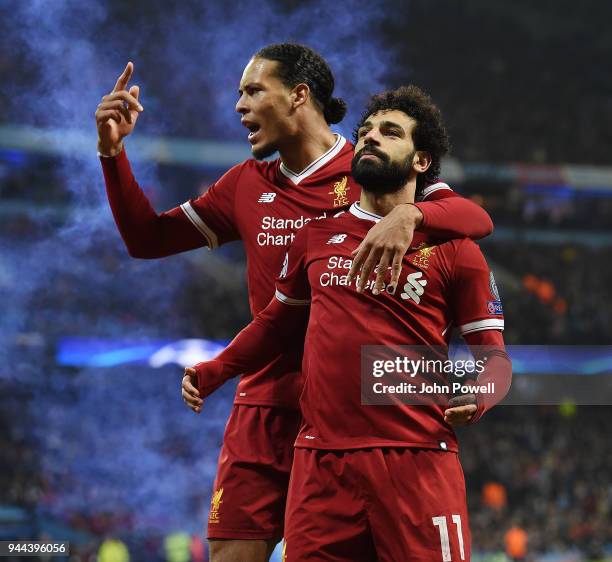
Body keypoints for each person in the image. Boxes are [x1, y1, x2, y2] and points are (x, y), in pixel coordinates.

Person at [96, 44, 493, 562]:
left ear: (299, 96)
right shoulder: (244, 184)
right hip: (267, 403)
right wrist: (113, 155)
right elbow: (147, 239)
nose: (239, 106)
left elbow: (471, 219)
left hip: (359, 415)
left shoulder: (374, 166)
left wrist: (412, 216)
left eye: (253, 91)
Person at [188, 85, 512, 561]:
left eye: (390, 132)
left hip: (417, 460)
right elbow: (277, 324)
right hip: (320, 464)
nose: (370, 139)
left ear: (421, 161)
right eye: (364, 132)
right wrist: (216, 369)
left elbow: (496, 361)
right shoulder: (316, 235)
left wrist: (481, 396)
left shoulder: (457, 250)